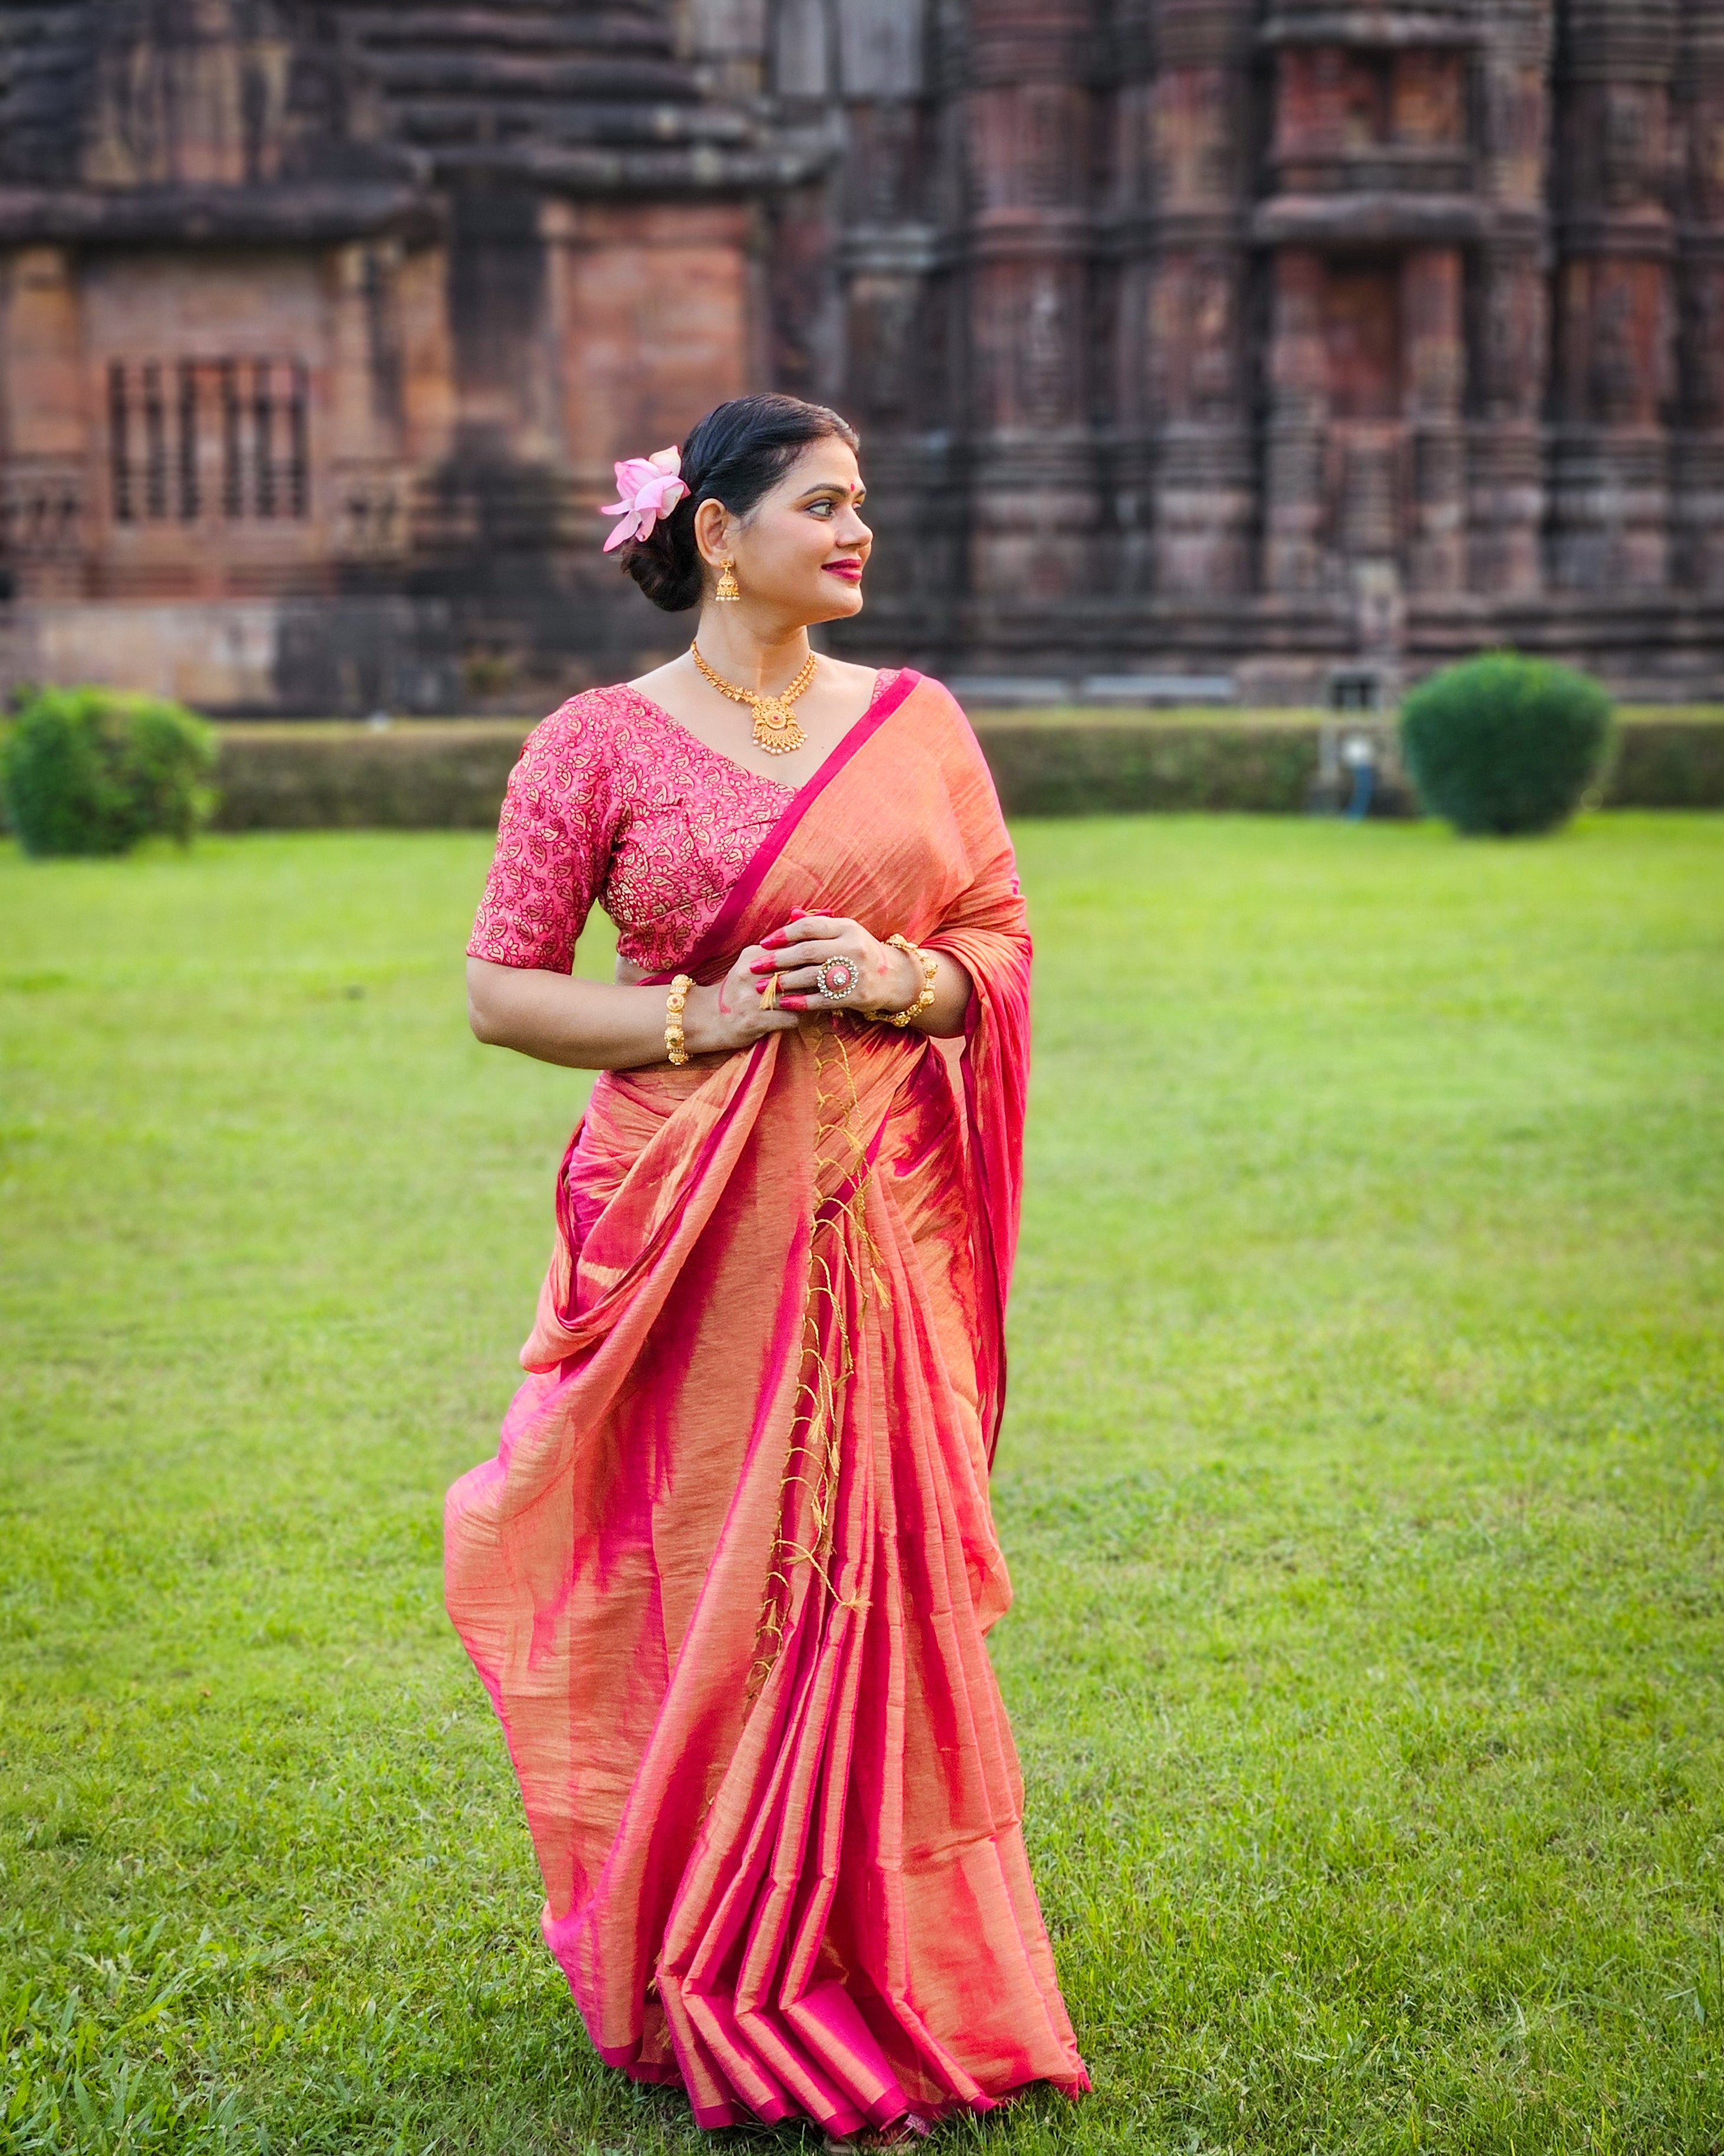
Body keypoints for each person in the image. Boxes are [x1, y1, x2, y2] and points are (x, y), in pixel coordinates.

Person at [449, 393, 1089, 2145]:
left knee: (861, 1580)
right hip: (680, 1227)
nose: (858, 529)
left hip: (879, 1215)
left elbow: (999, 942)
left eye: (864, 501)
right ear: (717, 534)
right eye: (822, 503)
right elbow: (504, 986)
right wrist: (697, 1013)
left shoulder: (919, 723)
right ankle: (706, 1938)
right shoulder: (593, 742)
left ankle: (891, 1949)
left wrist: (901, 981)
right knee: (715, 1573)